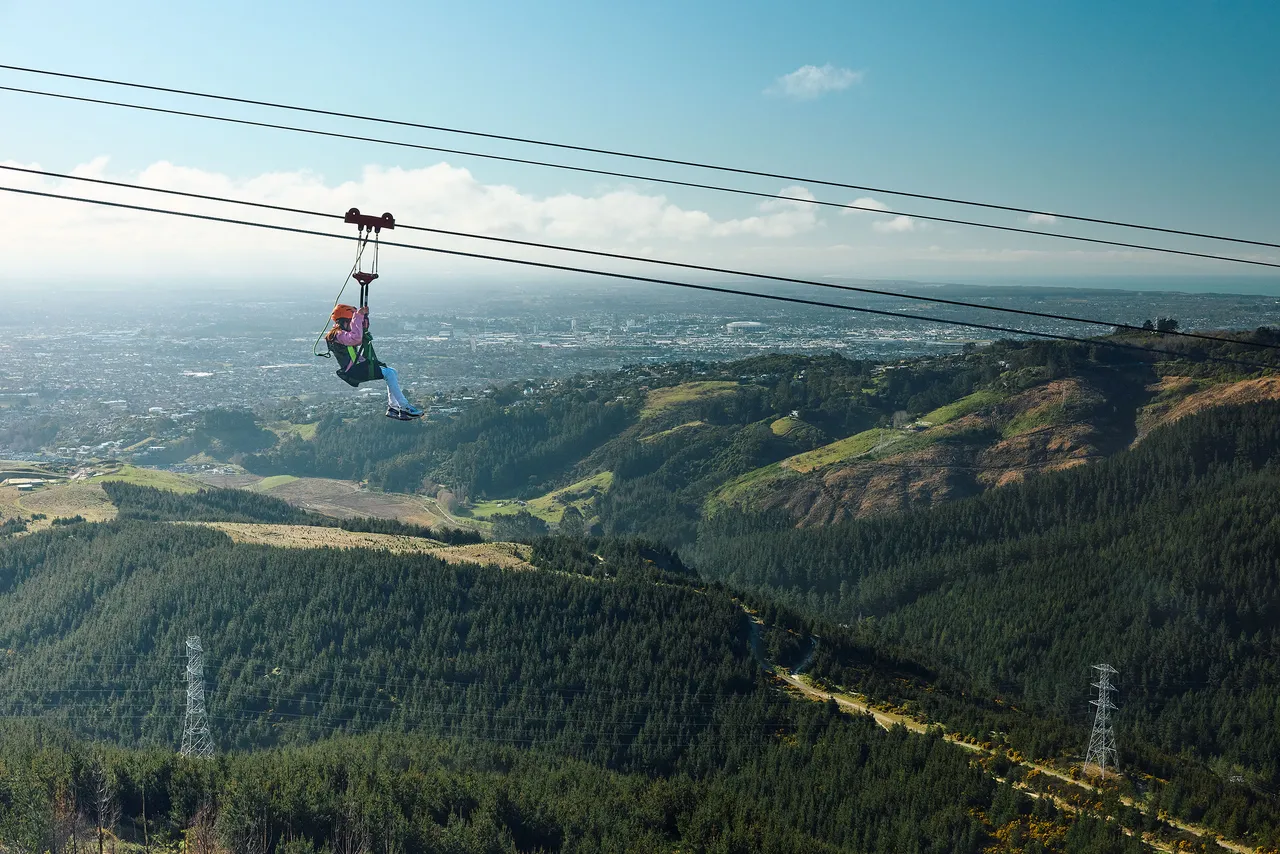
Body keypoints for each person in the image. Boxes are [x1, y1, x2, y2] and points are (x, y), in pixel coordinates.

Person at [326, 304, 423, 420]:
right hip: (354, 370)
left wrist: (362, 321)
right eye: (350, 321)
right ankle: (404, 407)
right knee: (389, 373)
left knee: (392, 372)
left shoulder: (340, 333)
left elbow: (357, 336)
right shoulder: (338, 334)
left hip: (356, 367)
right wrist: (358, 316)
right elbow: (356, 339)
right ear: (345, 321)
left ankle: (393, 407)